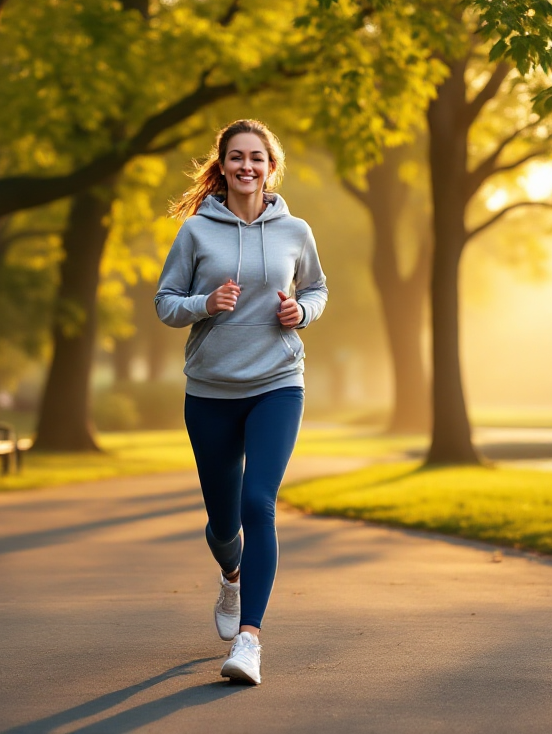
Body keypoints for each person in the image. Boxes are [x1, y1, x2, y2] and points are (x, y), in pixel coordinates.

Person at [154, 119, 328, 685]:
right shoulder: (196, 233)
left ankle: (249, 640)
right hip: (211, 390)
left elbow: (318, 289)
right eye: (236, 157)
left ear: (270, 167)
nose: (246, 166)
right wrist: (205, 302)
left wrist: (300, 313)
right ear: (222, 166)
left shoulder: (295, 230)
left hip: (279, 381)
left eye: (256, 157)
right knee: (224, 521)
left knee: (260, 502)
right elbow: (165, 303)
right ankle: (231, 573)